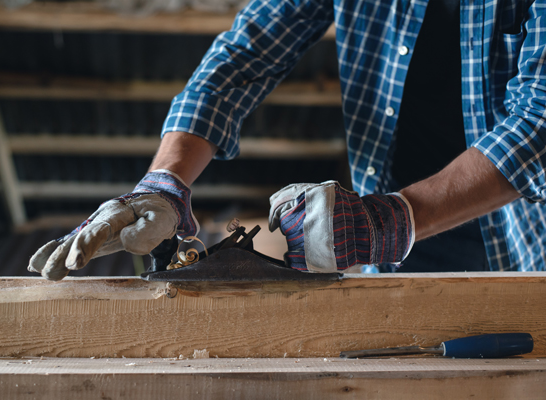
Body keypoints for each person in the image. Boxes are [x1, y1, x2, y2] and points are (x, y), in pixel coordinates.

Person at [28, 0, 545, 280]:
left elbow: (538, 122)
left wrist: (392, 218)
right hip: (382, 253)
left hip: (517, 247)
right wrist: (164, 181)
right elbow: (243, 54)